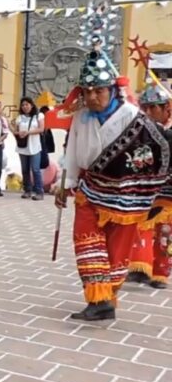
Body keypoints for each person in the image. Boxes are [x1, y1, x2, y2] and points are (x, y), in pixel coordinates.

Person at [56, 23, 170, 321]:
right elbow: (72, 151)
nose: (93, 96)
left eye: (99, 90)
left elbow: (151, 152)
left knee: (116, 250)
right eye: (87, 90)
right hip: (90, 190)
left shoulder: (133, 118)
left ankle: (107, 300)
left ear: (112, 90)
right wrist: (63, 183)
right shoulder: (81, 116)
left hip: (127, 195)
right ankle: (98, 298)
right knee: (85, 240)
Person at [127, 82, 172, 289]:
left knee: (164, 234)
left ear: (166, 108)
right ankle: (139, 268)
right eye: (144, 108)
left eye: (153, 107)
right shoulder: (141, 129)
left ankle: (160, 273)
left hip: (168, 191)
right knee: (140, 227)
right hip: (146, 189)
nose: (148, 112)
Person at [13, 97, 45, 200]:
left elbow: (41, 129)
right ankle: (27, 190)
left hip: (34, 146)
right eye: (23, 105)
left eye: (27, 104)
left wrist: (28, 132)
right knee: (25, 169)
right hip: (23, 147)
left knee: (35, 169)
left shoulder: (39, 116)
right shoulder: (20, 117)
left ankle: (39, 191)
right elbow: (16, 131)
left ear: (31, 105)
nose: (25, 107)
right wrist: (19, 133)